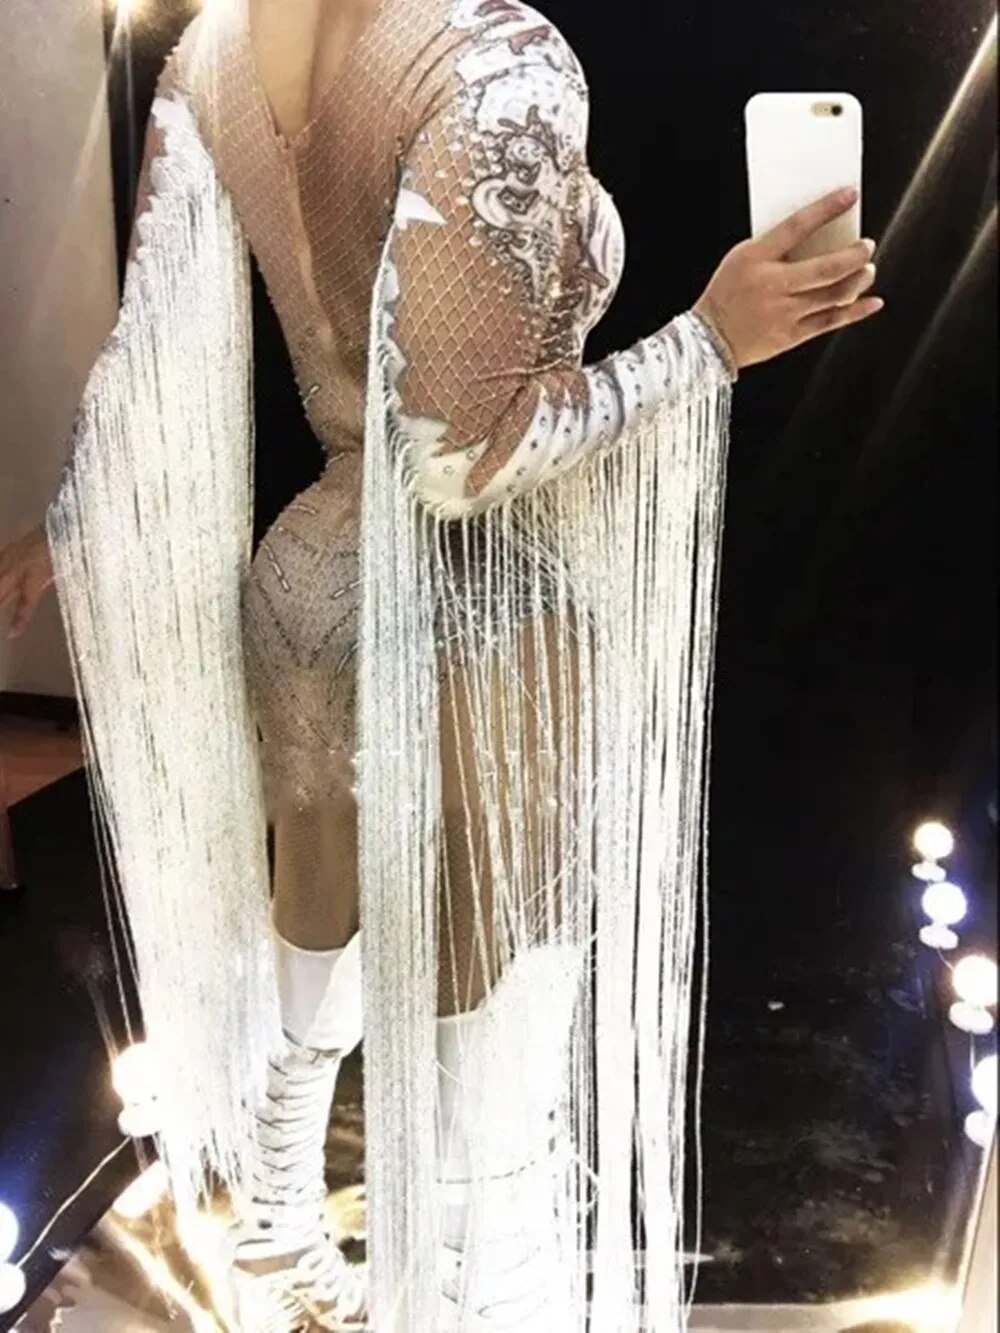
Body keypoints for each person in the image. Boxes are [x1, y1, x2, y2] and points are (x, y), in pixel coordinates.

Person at [0, 0, 881, 1328]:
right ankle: (471, 1302)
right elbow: (466, 459)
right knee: (495, 1077)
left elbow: (148, 349)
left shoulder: (215, 51)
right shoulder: (495, 56)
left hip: (310, 583)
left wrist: (70, 521)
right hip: (480, 613)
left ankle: (276, 1235)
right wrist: (712, 339)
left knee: (315, 940)